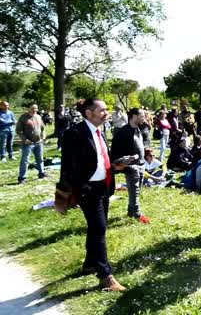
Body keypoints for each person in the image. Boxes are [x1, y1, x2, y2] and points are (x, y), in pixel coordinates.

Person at [60, 98, 125, 291]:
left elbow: (99, 160)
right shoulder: (75, 133)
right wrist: (79, 189)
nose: (107, 113)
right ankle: (106, 275)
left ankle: (90, 263)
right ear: (89, 113)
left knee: (97, 227)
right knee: (99, 228)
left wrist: (115, 166)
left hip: (103, 187)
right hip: (87, 190)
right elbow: (69, 167)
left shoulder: (100, 131)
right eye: (102, 110)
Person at [110, 108, 150, 223]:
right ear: (134, 116)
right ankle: (137, 214)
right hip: (131, 167)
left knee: (137, 189)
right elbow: (115, 151)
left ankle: (131, 210)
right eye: (142, 116)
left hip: (141, 164)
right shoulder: (123, 132)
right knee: (134, 190)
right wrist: (122, 161)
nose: (144, 118)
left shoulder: (138, 129)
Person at [16, 104, 46, 184]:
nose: (34, 110)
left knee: (40, 159)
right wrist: (25, 139)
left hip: (39, 142)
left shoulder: (38, 117)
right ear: (28, 108)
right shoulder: (23, 117)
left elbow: (43, 128)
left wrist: (43, 137)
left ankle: (41, 173)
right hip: (28, 143)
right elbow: (18, 130)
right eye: (32, 108)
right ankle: (22, 178)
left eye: (36, 108)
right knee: (25, 161)